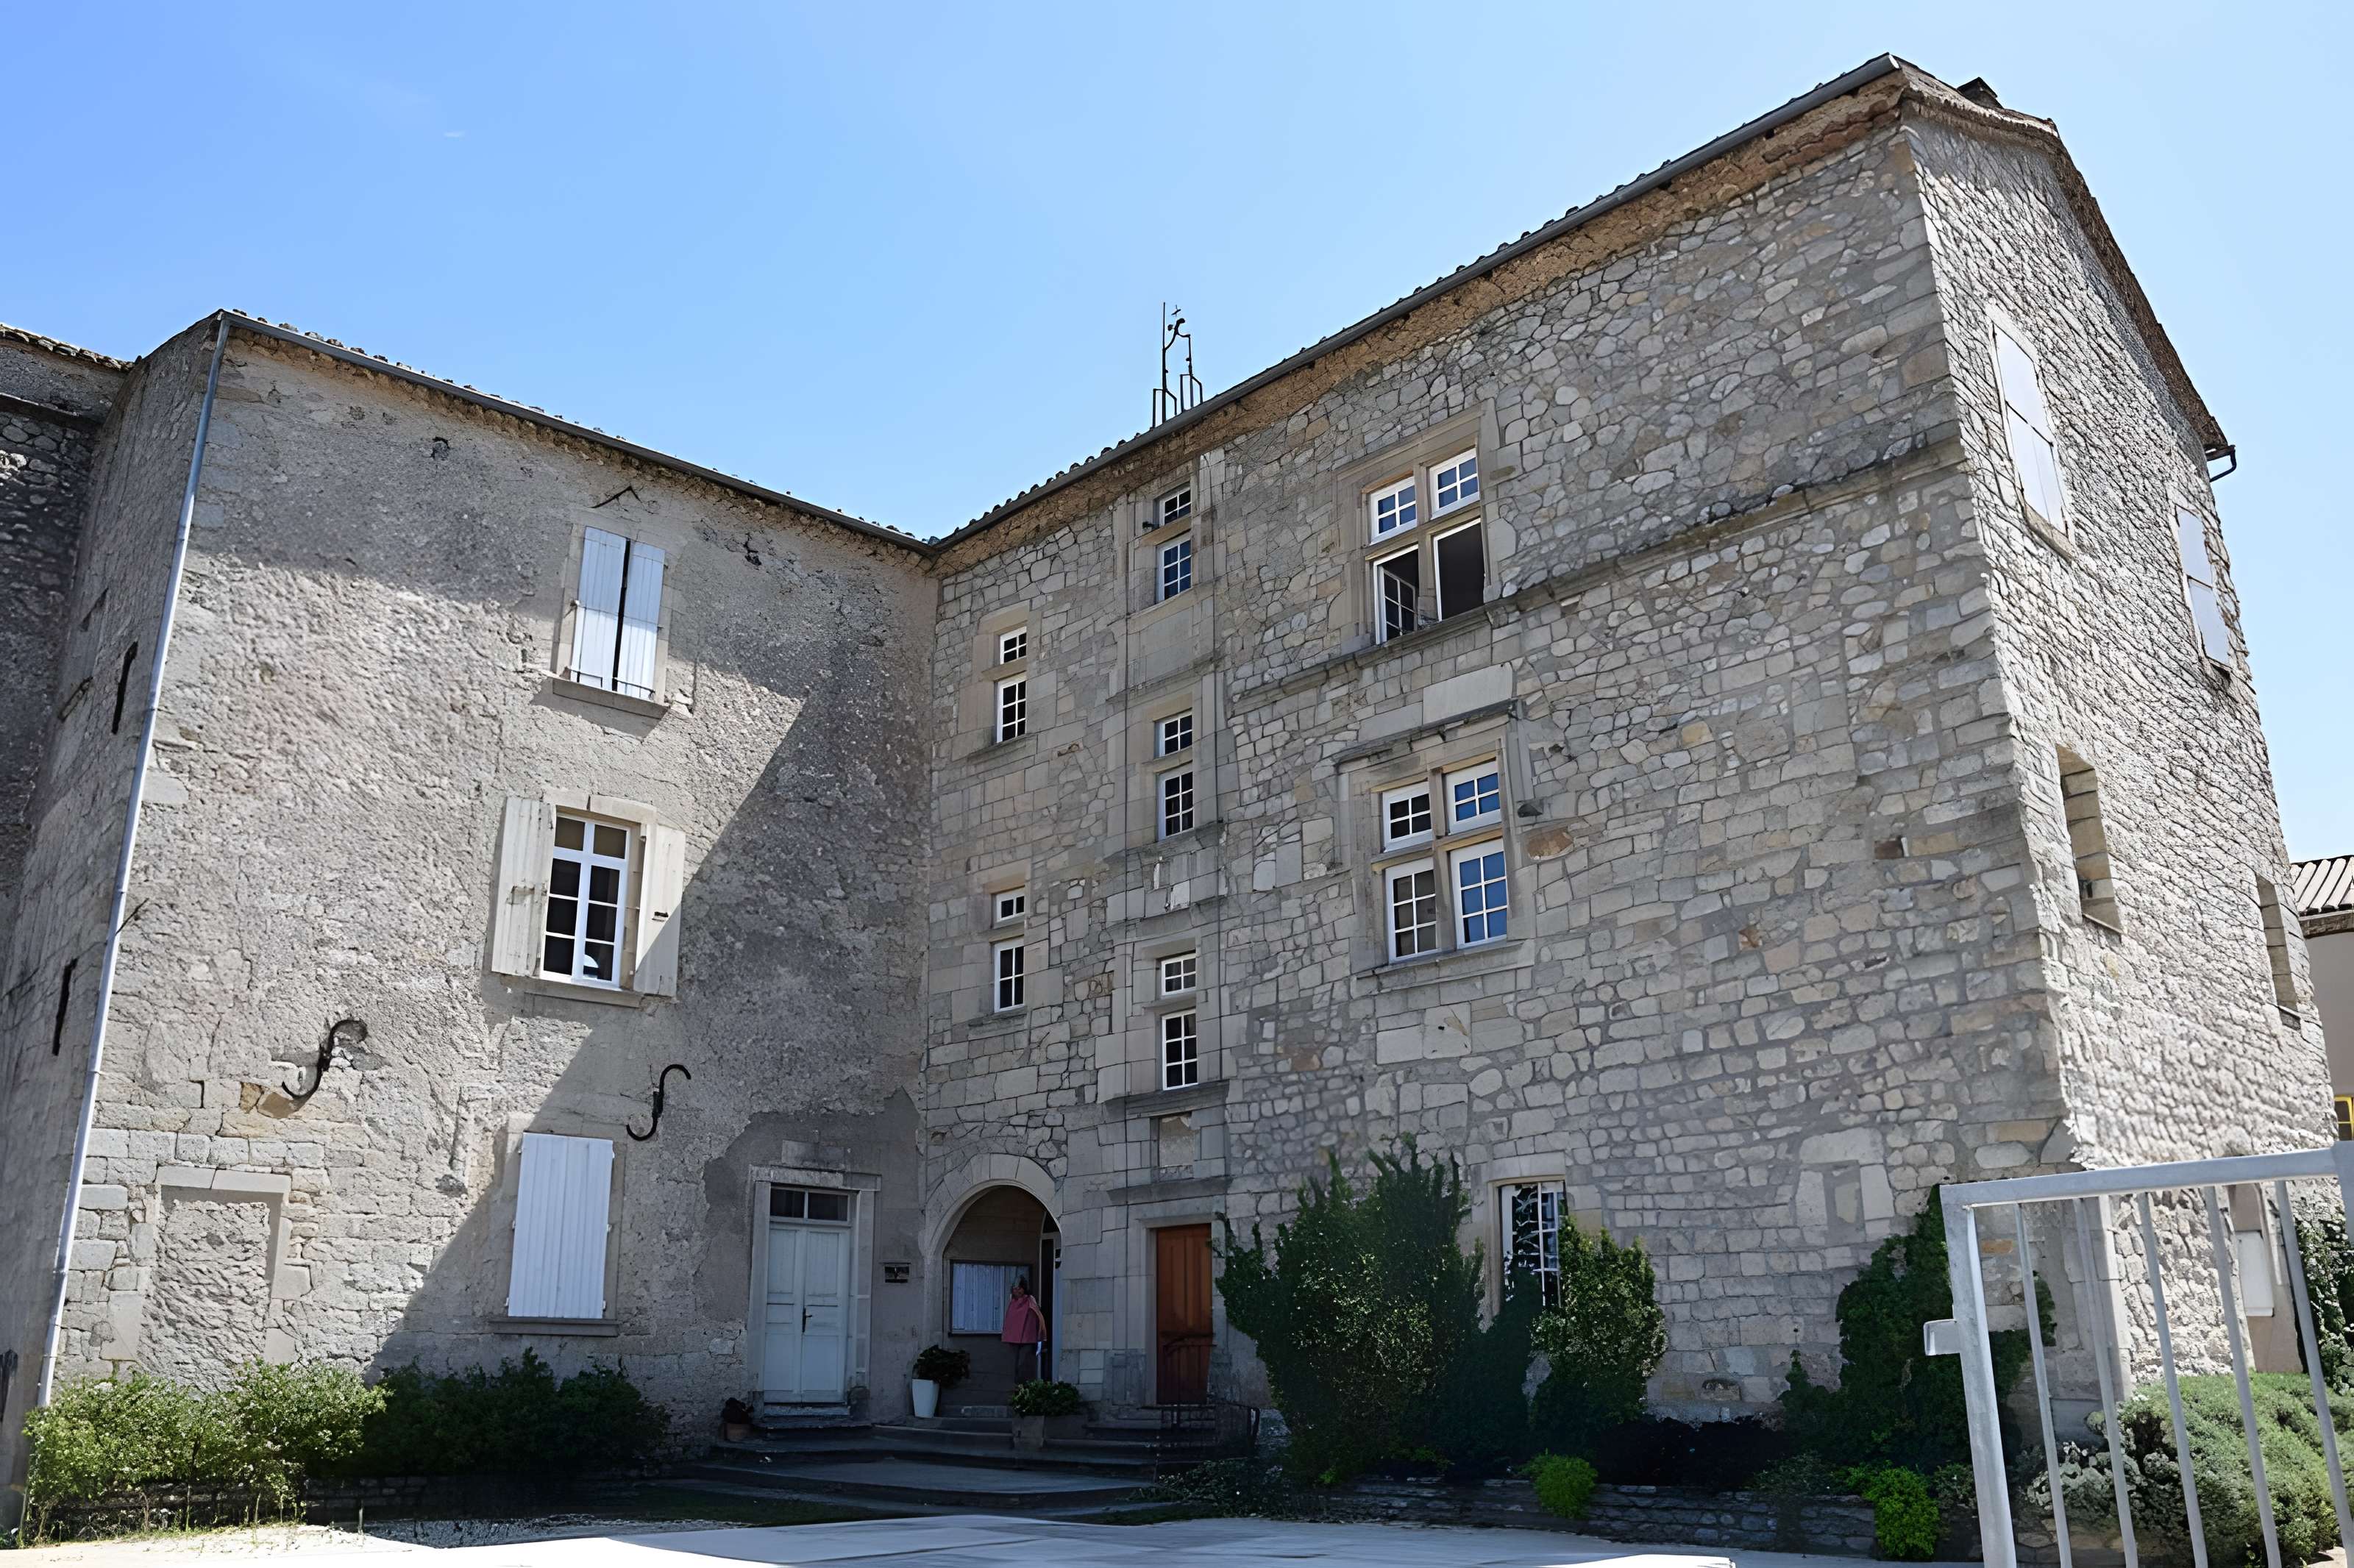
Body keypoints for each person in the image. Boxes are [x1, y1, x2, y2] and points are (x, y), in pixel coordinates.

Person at [1000, 1275, 1046, 1383]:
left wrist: (1040, 1335)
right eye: (1015, 1288)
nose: (1017, 1291)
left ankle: (1023, 1385)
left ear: (1024, 1288)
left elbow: (1038, 1317)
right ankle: (1017, 1386)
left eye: (1020, 1288)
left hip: (1028, 1338)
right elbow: (1010, 1319)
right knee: (1013, 1364)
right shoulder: (1012, 1301)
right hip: (1013, 1338)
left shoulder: (1030, 1300)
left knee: (1024, 1363)